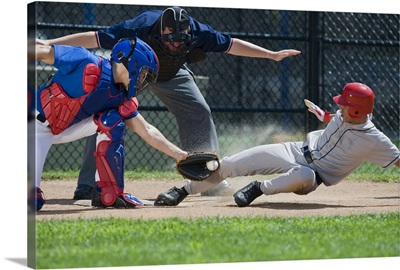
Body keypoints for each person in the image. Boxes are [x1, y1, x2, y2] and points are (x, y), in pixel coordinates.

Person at [37, 6, 301, 200]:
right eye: (170, 38)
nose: (175, 43)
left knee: (199, 110)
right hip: (133, 72)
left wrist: (270, 54)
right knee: (103, 113)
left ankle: (208, 177)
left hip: (172, 75)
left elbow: (231, 45)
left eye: (180, 39)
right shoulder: (140, 26)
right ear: (160, 29)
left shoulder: (200, 33)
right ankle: (87, 185)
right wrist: (50, 44)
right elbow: (94, 38)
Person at [154, 82, 400, 207]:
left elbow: (398, 159)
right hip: (294, 149)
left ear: (357, 111)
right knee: (230, 163)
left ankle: (258, 189)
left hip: (313, 175)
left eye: (343, 105)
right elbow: (333, 118)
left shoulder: (375, 139)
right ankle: (183, 191)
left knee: (303, 172)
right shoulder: (346, 114)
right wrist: (322, 114)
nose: (339, 107)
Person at [32, 37, 188, 211]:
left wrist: (181, 155)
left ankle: (108, 193)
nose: (143, 79)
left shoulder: (121, 96)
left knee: (113, 120)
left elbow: (147, 130)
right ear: (133, 63)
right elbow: (39, 52)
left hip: (62, 128)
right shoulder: (84, 60)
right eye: (144, 73)